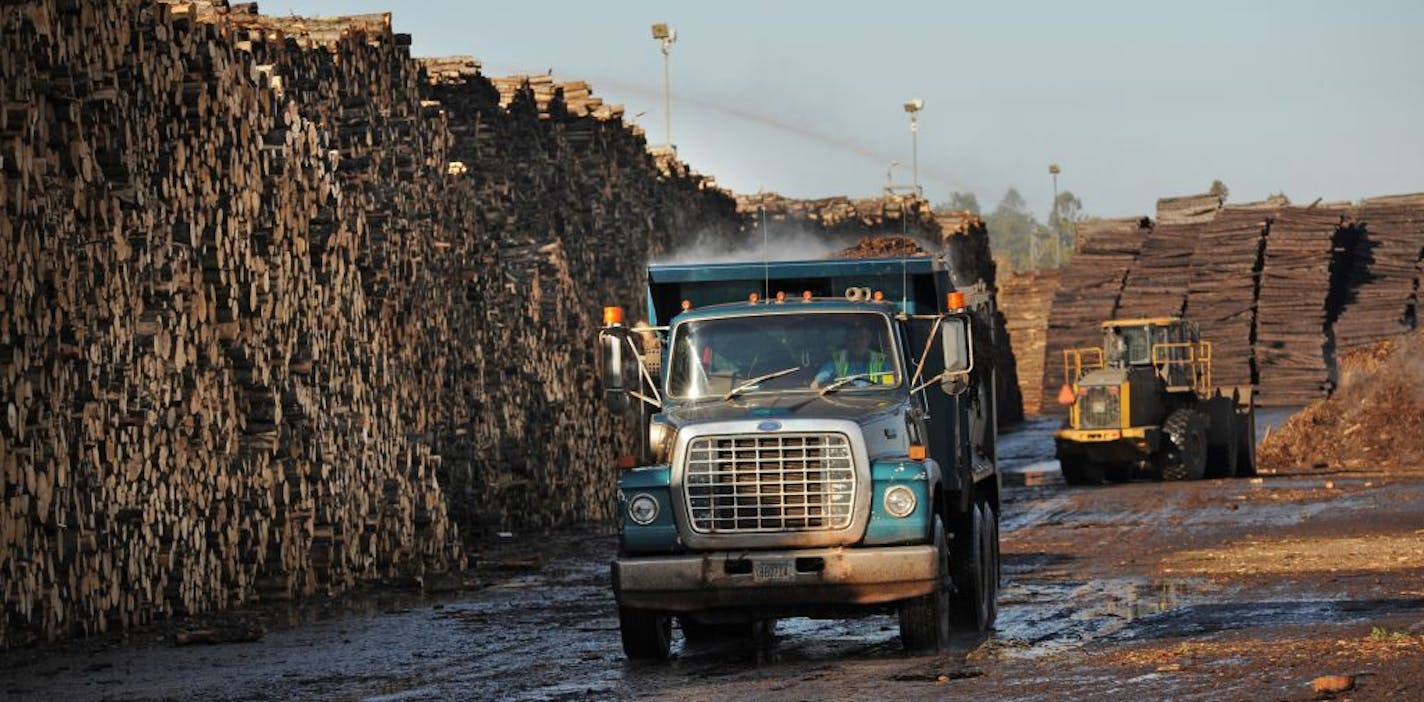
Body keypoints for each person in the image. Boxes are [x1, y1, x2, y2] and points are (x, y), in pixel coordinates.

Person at [812, 322, 894, 388]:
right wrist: (817, 383)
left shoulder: (881, 360)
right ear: (847, 340)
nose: (858, 342)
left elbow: (890, 384)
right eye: (854, 338)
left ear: (868, 340)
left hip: (874, 399)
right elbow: (821, 378)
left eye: (862, 338)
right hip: (844, 398)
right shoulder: (836, 359)